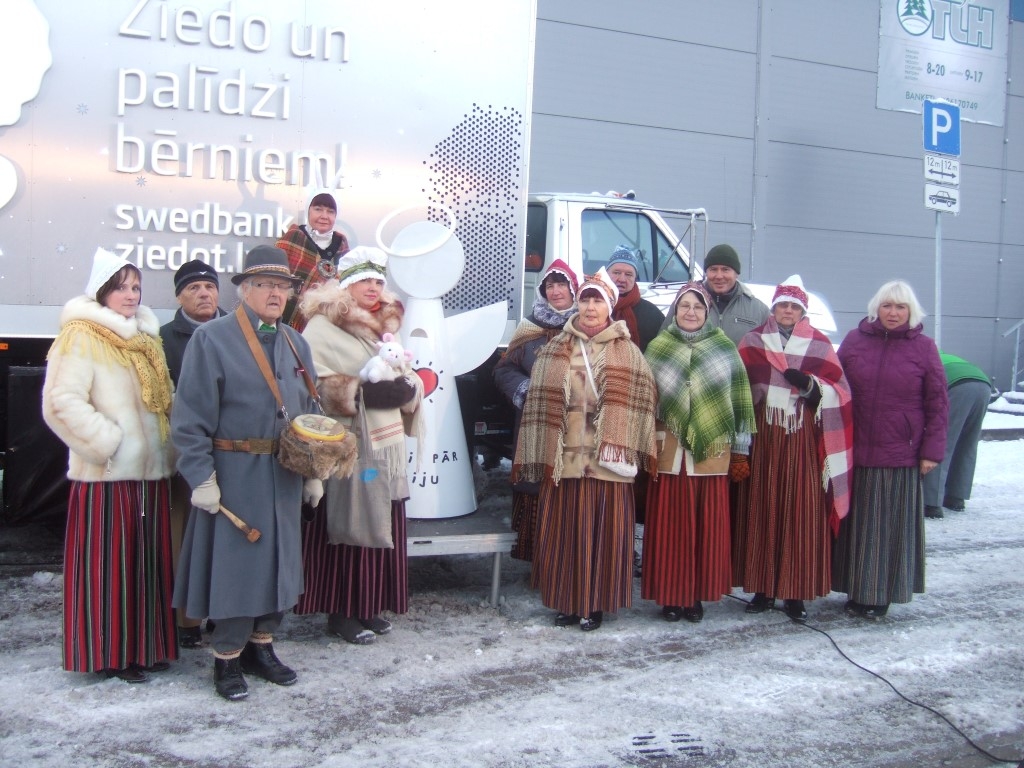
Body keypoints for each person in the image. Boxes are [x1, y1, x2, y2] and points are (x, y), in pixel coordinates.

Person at [172, 245, 323, 701]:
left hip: (284, 475)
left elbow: (311, 411)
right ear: (245, 290)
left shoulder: (298, 342)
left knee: (280, 565)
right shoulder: (212, 339)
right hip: (233, 473)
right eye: (267, 285)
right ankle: (227, 658)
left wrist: (315, 470)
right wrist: (201, 477)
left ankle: (262, 646)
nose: (278, 294)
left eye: (284, 287)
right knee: (237, 570)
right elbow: (189, 417)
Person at [42, 247, 177, 683]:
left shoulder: (147, 340)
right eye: (121, 287)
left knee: (148, 564)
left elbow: (164, 401)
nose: (131, 295)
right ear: (102, 291)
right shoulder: (81, 335)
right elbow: (60, 403)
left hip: (150, 475)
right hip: (107, 475)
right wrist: (109, 444)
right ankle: (110, 652)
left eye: (136, 287)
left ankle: (146, 647)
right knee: (110, 566)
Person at [513, 268, 657, 631]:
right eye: (586, 298)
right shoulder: (556, 347)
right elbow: (539, 404)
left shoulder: (628, 350)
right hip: (565, 460)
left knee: (602, 534)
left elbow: (644, 403)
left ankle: (594, 603)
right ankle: (565, 599)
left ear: (609, 306)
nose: (591, 306)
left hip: (607, 462)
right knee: (565, 531)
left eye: (598, 300)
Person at [294, 246, 424, 645]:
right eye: (364, 281)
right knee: (351, 520)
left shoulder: (387, 325)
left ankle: (369, 603)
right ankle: (342, 611)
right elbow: (311, 383)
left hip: (385, 444)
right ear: (346, 287)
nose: (373, 288)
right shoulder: (320, 328)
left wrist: (408, 387)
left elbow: (406, 370)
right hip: (350, 445)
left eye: (378, 281)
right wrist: (360, 393)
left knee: (381, 519)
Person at [735, 275, 854, 621]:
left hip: (800, 437)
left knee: (800, 509)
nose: (787, 311)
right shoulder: (753, 340)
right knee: (762, 506)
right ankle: (761, 587)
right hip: (764, 436)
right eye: (782, 305)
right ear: (773, 308)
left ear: (802, 311)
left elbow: (841, 392)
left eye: (794, 306)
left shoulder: (819, 344)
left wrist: (812, 386)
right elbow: (739, 388)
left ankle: (795, 591)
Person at [833, 280, 948, 620]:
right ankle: (856, 589)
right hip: (857, 449)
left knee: (886, 530)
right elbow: (834, 386)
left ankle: (880, 594)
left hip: (900, 453)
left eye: (900, 307)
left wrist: (931, 451)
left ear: (911, 311)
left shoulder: (924, 348)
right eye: (887, 306)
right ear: (876, 308)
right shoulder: (855, 342)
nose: (893, 313)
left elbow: (938, 403)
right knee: (857, 527)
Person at [641, 282, 755, 623]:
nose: (690, 312)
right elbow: (644, 402)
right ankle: (670, 596)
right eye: (684, 306)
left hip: (710, 453)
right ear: (675, 312)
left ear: (707, 313)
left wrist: (741, 450)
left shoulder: (724, 349)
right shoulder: (658, 348)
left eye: (698, 307)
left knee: (705, 527)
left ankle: (695, 596)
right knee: (669, 527)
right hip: (669, 452)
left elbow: (740, 401)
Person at [159, 259, 226, 649]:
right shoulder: (165, 337)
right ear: (179, 296)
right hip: (188, 455)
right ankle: (187, 620)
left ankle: (223, 610)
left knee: (225, 538)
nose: (204, 294)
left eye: (209, 287)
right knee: (185, 537)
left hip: (232, 454)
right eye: (194, 288)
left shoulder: (236, 332)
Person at [493, 259, 579, 563]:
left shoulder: (586, 327)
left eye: (561, 284)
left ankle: (565, 558)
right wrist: (525, 389)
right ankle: (537, 558)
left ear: (573, 289)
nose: (556, 291)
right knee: (537, 482)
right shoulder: (529, 327)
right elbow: (504, 370)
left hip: (574, 425)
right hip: (534, 422)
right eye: (550, 285)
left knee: (569, 487)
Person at [922, 352, 995, 518]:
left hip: (955, 385)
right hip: (982, 384)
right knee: (967, 443)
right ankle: (956, 497)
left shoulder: (912, 356)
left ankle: (930, 503)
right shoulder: (934, 353)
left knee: (941, 444)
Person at [277, 191, 351, 331]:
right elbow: (275, 280)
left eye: (330, 211)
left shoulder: (342, 244)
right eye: (318, 209)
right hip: (287, 321)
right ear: (308, 211)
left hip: (326, 325)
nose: (324, 216)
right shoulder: (292, 238)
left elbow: (348, 287)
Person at [696, 244, 769, 346]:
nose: (719, 276)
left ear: (736, 273)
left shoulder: (759, 311)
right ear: (706, 272)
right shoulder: (685, 304)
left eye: (725, 269)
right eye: (713, 269)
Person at [606, 245, 664, 352]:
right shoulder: (594, 307)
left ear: (635, 278)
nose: (622, 279)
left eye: (629, 274)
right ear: (606, 274)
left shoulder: (652, 314)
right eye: (617, 273)